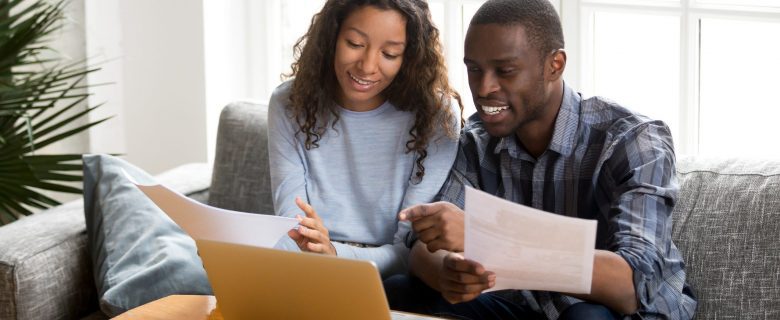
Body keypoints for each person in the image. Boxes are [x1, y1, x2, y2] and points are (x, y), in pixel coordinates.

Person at [384, 0, 697, 319]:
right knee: (401, 290)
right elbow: (422, 248)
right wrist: (447, 271)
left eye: (505, 71)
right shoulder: (477, 139)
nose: (483, 87)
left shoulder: (633, 139)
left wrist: (489, 239)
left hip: (619, 311)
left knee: (587, 318)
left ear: (555, 65)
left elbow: (632, 285)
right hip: (525, 308)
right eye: (474, 69)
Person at [267, 0, 463, 279]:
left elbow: (409, 251)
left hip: (387, 277)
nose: (368, 66)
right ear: (332, 37)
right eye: (355, 44)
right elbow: (291, 224)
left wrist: (334, 255)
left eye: (390, 53)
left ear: (409, 57)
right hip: (304, 265)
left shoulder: (436, 116)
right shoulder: (289, 102)